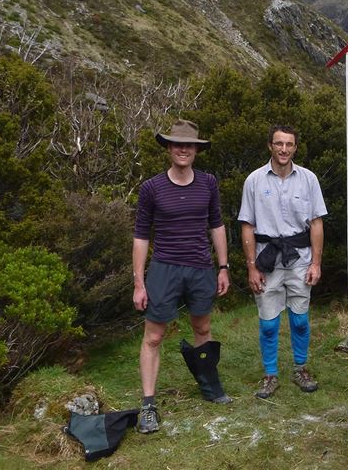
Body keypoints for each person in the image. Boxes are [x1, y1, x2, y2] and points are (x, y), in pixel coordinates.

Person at [133, 119, 231, 436]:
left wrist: (224, 266)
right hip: (164, 268)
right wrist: (139, 282)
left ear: (197, 150)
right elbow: (140, 237)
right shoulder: (151, 188)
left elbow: (216, 225)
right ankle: (148, 405)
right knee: (154, 336)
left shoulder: (208, 183)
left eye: (189, 145)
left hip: (201, 267)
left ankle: (209, 386)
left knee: (203, 327)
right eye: (177, 144)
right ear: (169, 148)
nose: (183, 149)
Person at [239, 125, 327, 399]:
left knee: (300, 320)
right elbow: (247, 225)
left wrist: (316, 263)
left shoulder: (309, 179)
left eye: (289, 144)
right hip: (267, 261)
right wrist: (251, 267)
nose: (284, 149)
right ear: (270, 146)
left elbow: (316, 223)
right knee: (268, 323)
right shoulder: (254, 181)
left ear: (295, 148)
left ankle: (300, 368)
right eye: (279, 144)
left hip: (300, 259)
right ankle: (270, 375)